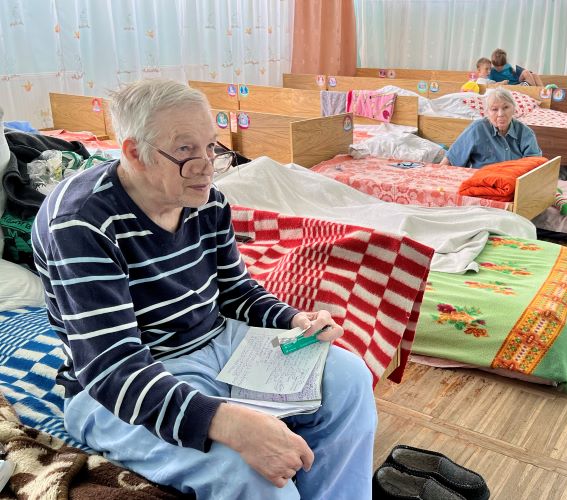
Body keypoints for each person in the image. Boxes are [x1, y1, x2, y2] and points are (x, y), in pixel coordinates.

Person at [31, 79, 377, 500]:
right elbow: (111, 367)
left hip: (219, 343)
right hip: (127, 381)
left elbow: (235, 291)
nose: (206, 165)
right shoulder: (81, 222)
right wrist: (229, 423)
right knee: (258, 477)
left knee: (350, 379)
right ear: (135, 154)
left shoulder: (207, 200)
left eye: (211, 146)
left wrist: (294, 319)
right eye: (184, 151)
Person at [440, 88, 542, 168]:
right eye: (494, 109)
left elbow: (533, 166)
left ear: (514, 108)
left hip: (514, 183)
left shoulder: (525, 133)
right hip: (483, 184)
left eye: (506, 107)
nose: (501, 114)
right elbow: (451, 159)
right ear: (488, 112)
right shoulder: (477, 129)